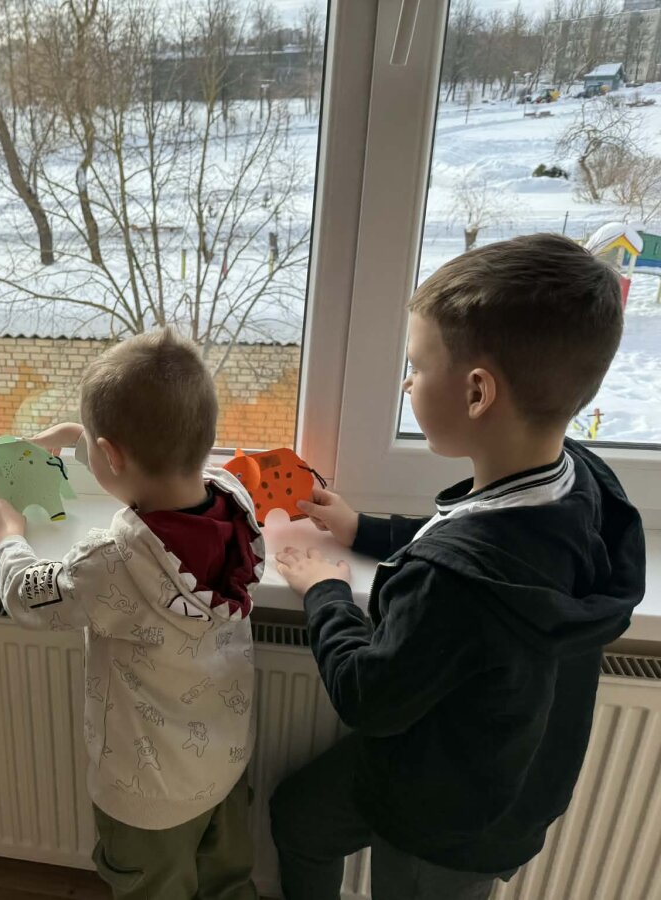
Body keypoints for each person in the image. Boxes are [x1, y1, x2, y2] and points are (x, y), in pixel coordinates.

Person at [269, 234, 646, 900]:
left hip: (448, 830)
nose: (407, 381)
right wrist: (366, 530)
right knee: (299, 816)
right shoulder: (580, 482)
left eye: (416, 365)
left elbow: (367, 696)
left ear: (477, 392)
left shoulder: (455, 584)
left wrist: (325, 590)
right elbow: (470, 532)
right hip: (469, 761)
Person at [0, 327, 263, 900]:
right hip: (224, 769)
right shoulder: (237, 505)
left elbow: (29, 595)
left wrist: (9, 535)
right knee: (228, 886)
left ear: (109, 454)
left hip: (148, 795)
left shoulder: (112, 563)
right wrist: (79, 437)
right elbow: (155, 469)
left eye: (93, 447)